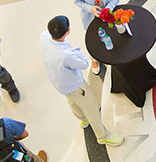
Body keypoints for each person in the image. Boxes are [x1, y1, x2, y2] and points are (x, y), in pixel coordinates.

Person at [40, 15, 124, 145]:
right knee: (92, 109)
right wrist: (75, 52)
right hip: (74, 84)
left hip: (59, 83)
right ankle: (103, 136)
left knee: (71, 100)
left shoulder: (44, 37)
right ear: (67, 32)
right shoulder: (66, 55)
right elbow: (84, 64)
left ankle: (83, 119)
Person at [73, 0, 122, 76]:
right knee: (94, 38)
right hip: (90, 17)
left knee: (111, 33)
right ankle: (94, 58)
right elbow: (78, 1)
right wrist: (90, 8)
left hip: (108, 13)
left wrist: (108, 8)